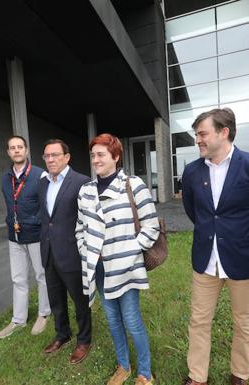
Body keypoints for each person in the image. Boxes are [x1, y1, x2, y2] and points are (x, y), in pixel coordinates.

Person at [180, 108, 249, 385]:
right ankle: (197, 377)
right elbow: (194, 212)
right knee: (199, 320)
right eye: (197, 134)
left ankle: (240, 375)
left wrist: (243, 236)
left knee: (244, 322)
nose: (198, 139)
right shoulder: (191, 171)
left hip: (244, 259)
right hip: (205, 260)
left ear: (224, 132)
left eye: (202, 134)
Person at [76, 133, 159, 385]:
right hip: (99, 269)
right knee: (112, 320)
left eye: (101, 154)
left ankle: (145, 372)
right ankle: (123, 366)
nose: (95, 160)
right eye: (93, 155)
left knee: (132, 320)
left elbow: (151, 226)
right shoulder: (86, 191)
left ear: (116, 156)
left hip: (125, 267)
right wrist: (86, 250)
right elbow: (80, 228)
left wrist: (130, 251)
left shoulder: (133, 185)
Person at [38, 139, 92, 364]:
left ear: (67, 157)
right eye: (47, 156)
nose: (50, 160)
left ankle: (84, 340)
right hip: (49, 250)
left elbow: (89, 220)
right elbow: (46, 218)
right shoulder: (42, 184)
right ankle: (62, 333)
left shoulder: (82, 182)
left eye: (55, 155)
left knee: (80, 299)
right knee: (55, 298)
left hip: (72, 252)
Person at [0, 135, 51, 338]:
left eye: (20, 147)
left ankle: (44, 314)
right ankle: (18, 320)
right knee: (18, 278)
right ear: (8, 152)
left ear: (26, 151)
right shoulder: (5, 178)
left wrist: (36, 222)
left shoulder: (40, 175)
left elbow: (46, 205)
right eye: (12, 148)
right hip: (15, 235)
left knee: (41, 275)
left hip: (36, 234)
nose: (17, 150)